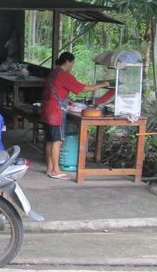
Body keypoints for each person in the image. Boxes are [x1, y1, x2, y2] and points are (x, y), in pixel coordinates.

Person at [40, 52, 109, 180]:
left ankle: (50, 168)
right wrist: (102, 85)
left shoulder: (53, 73)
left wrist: (68, 98)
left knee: (50, 140)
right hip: (56, 112)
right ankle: (56, 170)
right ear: (67, 62)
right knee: (57, 141)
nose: (72, 66)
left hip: (47, 110)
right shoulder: (64, 76)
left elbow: (55, 89)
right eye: (72, 63)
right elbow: (83, 88)